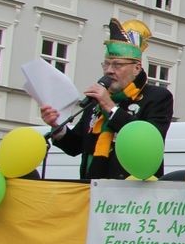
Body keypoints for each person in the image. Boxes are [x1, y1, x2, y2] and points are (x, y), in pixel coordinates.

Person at [40, 18, 173, 179]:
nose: (109, 70)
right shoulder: (96, 101)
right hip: (91, 191)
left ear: (137, 68)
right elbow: (75, 147)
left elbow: (148, 142)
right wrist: (57, 126)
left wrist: (110, 107)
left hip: (133, 194)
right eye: (106, 64)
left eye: (117, 65)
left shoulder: (157, 97)